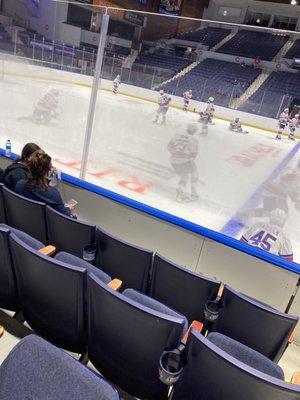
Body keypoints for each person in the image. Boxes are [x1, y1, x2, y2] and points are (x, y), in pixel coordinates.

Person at [15, 150, 75, 217]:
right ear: (47, 171)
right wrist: (68, 209)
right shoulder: (53, 195)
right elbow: (64, 216)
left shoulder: (20, 185)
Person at [167, 123, 199, 202]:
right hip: (185, 160)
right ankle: (190, 193)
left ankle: (180, 190)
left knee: (185, 175)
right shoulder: (194, 139)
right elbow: (194, 153)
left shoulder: (177, 135)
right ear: (195, 131)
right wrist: (191, 158)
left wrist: (175, 153)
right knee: (193, 173)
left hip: (173, 160)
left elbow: (169, 146)